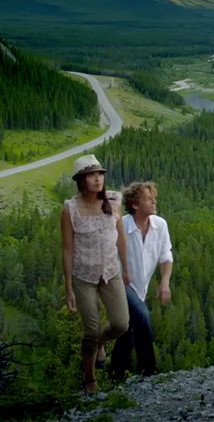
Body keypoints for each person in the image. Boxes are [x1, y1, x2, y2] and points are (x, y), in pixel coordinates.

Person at [60, 154, 130, 394]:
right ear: (81, 180)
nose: (98, 179)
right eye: (91, 174)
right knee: (90, 329)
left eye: (100, 174)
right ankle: (89, 378)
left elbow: (121, 238)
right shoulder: (70, 210)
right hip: (84, 276)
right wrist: (68, 287)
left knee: (121, 324)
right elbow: (68, 249)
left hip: (111, 272)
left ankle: (102, 343)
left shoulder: (113, 201)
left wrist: (126, 269)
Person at [111, 180, 173, 380]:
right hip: (121, 285)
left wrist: (164, 282)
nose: (154, 201)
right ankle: (149, 371)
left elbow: (166, 256)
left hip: (140, 289)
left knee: (127, 332)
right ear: (135, 205)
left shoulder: (160, 225)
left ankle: (116, 376)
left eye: (154, 197)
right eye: (148, 198)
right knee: (143, 316)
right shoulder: (122, 226)